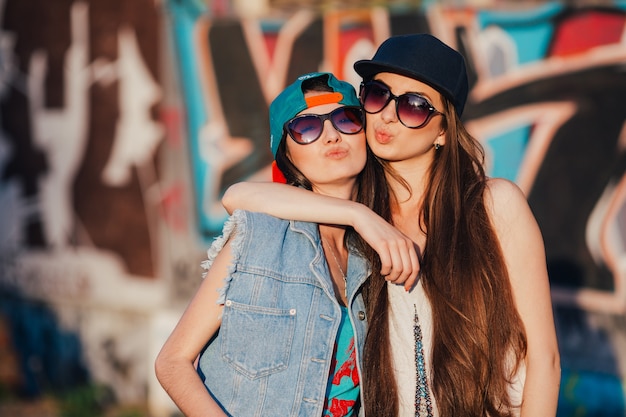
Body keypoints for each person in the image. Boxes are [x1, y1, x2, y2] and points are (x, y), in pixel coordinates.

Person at [222, 34, 561, 417]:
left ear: (444, 130)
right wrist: (360, 216)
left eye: (414, 106)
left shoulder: (493, 206)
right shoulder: (358, 209)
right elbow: (237, 196)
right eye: (378, 94)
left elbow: (544, 358)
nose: (386, 115)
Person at [154, 72, 405, 417]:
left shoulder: (378, 254)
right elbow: (172, 362)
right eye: (306, 128)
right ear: (286, 155)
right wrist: (357, 213)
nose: (331, 135)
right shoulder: (260, 237)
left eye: (346, 119)